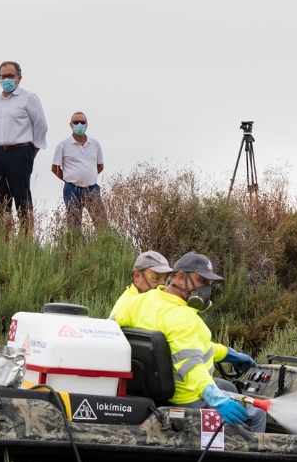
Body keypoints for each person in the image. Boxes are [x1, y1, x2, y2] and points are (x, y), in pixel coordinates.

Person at [113, 251, 265, 432]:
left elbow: (111, 329)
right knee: (257, 412)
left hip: (153, 394)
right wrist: (217, 399)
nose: (206, 288)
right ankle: (248, 458)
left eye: (208, 283)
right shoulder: (183, 318)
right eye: (201, 281)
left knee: (227, 387)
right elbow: (192, 365)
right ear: (180, 277)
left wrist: (228, 354)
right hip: (187, 399)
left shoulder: (140, 302)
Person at [0, 61, 47, 232]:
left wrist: (30, 152)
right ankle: (5, 240)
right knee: (0, 199)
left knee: (22, 199)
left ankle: (26, 239)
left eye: (10, 76)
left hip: (20, 151)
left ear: (19, 78)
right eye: (3, 76)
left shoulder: (28, 98)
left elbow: (41, 125)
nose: (6, 79)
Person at [51, 111, 108, 229]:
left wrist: (88, 176)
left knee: (102, 224)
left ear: (87, 124)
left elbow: (100, 165)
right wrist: (69, 178)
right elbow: (55, 168)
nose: (79, 125)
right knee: (74, 226)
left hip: (92, 188)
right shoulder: (63, 145)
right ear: (70, 125)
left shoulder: (95, 144)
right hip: (72, 189)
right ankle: (75, 247)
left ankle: (103, 247)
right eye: (76, 122)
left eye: (82, 122)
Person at [109, 250, 172, 317]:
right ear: (137, 276)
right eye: (155, 278)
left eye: (166, 279)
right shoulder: (126, 306)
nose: (162, 285)